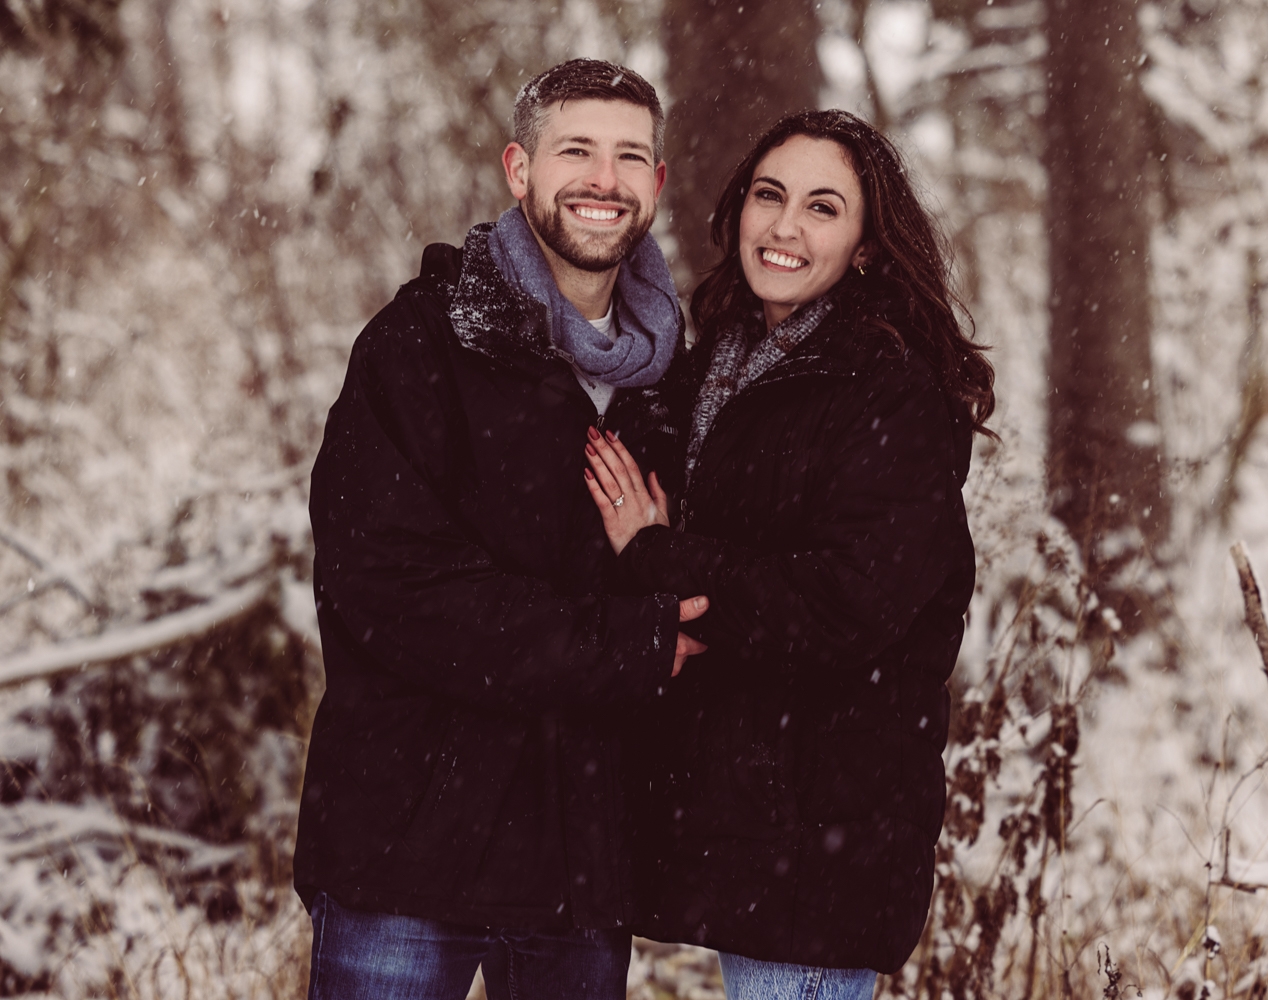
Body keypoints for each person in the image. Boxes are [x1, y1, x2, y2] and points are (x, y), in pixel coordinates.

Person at [294, 58, 708, 999]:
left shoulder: (671, 382)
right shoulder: (422, 345)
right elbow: (388, 588)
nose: (605, 182)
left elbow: (697, 581)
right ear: (519, 170)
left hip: (582, 861)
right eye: (577, 152)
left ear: (657, 183)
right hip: (407, 845)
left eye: (630, 157)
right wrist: (626, 639)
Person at [583, 110, 993, 999]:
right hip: (746, 817)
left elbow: (844, 605)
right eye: (770, 196)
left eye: (823, 208)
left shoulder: (890, 394)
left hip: (827, 826)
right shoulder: (718, 363)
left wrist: (660, 558)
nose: (785, 227)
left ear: (868, 247)